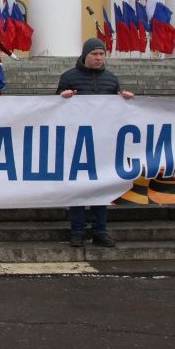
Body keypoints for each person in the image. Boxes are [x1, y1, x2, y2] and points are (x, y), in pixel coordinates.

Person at [56, 37, 135, 248]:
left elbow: (117, 107)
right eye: (95, 54)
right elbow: (54, 107)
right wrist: (62, 97)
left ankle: (100, 231)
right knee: (79, 189)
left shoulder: (111, 79)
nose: (99, 58)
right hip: (77, 143)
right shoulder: (69, 77)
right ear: (85, 55)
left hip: (103, 143)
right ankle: (78, 231)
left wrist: (125, 99)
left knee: (102, 188)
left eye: (102, 54)